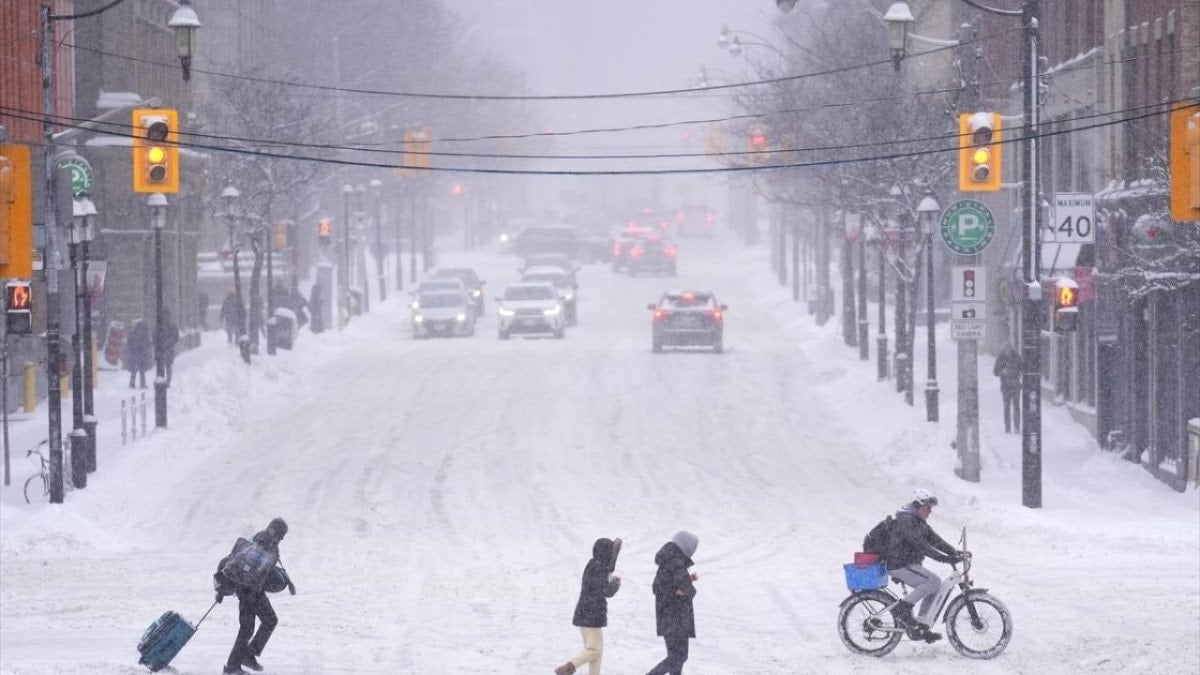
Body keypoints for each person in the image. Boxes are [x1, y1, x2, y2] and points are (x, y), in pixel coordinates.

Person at [884, 489, 963, 643]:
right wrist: (944, 559)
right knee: (932, 582)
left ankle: (921, 625)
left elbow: (935, 540)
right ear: (917, 505)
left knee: (935, 584)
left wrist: (954, 552)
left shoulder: (917, 521)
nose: (930, 511)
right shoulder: (906, 521)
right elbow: (921, 545)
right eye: (928, 508)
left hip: (907, 564)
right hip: (899, 564)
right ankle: (902, 609)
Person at [215, 517, 293, 674]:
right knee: (249, 627)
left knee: (266, 621)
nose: (282, 538)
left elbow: (265, 569)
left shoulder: (266, 542)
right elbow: (247, 566)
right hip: (248, 591)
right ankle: (233, 667)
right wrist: (225, 588)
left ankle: (246, 656)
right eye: (281, 534)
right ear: (273, 530)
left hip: (253, 590)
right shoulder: (263, 543)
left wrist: (287, 581)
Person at [555, 537, 623, 675]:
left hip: (588, 613)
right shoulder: (597, 568)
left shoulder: (595, 564)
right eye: (610, 551)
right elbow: (605, 590)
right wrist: (615, 585)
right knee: (594, 650)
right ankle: (569, 667)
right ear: (605, 553)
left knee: (596, 652)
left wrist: (615, 552)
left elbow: (609, 568)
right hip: (590, 614)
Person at [647, 531, 699, 675]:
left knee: (676, 657)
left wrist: (686, 580)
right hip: (676, 617)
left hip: (668, 616)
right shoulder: (676, 562)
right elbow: (688, 590)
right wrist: (683, 589)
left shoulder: (670, 559)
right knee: (679, 656)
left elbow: (660, 585)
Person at [993, 344, 1022, 433]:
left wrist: (1014, 372)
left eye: (1008, 349)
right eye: (1006, 349)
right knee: (1007, 406)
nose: (1007, 351)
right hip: (1006, 386)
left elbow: (1022, 368)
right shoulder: (1001, 358)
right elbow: (995, 372)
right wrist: (1003, 372)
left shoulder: (1016, 357)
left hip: (1014, 385)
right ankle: (1008, 427)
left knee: (1015, 406)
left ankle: (1016, 426)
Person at [125, 319, 153, 389]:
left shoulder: (133, 332)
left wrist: (132, 349)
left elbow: (129, 342)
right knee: (142, 370)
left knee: (134, 369)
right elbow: (148, 343)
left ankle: (132, 383)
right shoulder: (145, 333)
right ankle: (142, 384)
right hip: (143, 353)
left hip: (134, 353)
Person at [155, 309, 180, 386]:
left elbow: (154, 336)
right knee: (168, 366)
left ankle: (161, 381)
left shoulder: (159, 325)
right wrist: (171, 342)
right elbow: (176, 337)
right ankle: (168, 382)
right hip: (169, 348)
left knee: (161, 366)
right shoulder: (172, 325)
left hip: (161, 348)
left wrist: (157, 344)